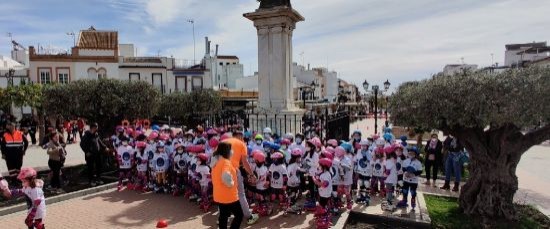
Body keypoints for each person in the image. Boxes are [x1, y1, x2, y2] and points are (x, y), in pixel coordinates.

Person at [223, 132, 260, 225]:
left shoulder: (225, 142)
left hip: (221, 170)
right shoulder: (241, 144)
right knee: (241, 194)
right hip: (233, 170)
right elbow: (245, 162)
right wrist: (251, 174)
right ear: (240, 137)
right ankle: (249, 216)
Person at [212, 142, 243, 229]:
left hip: (219, 195)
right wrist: (231, 183)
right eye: (231, 149)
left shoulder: (216, 162)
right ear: (227, 151)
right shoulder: (226, 162)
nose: (232, 151)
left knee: (223, 216)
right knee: (239, 215)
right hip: (229, 195)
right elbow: (225, 175)